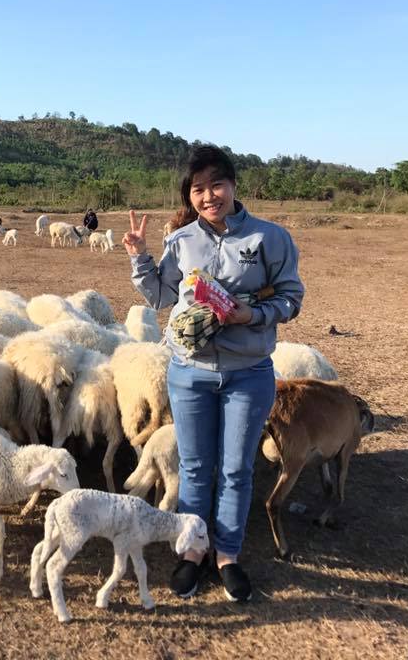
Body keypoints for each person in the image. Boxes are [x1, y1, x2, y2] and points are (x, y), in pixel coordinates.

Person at [122, 144, 304, 602]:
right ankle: (193, 552)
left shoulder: (269, 238)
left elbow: (291, 298)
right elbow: (161, 297)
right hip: (190, 372)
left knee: (238, 470)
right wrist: (140, 257)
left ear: (233, 185)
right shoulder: (181, 240)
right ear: (190, 196)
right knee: (196, 466)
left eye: (216, 185)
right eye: (198, 189)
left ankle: (228, 556)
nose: (209, 196)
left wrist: (252, 316)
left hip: (248, 372)